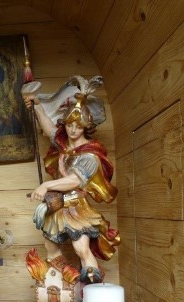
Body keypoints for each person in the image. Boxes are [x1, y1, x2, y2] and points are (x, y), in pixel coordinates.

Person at [23, 84, 120, 284]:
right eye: (69, 125)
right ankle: (65, 283)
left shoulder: (90, 155)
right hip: (58, 204)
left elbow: (74, 180)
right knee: (50, 246)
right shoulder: (64, 144)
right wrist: (38, 105)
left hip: (76, 206)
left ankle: (92, 288)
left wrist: (46, 186)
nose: (73, 130)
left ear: (86, 127)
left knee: (81, 248)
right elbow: (49, 128)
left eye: (78, 126)